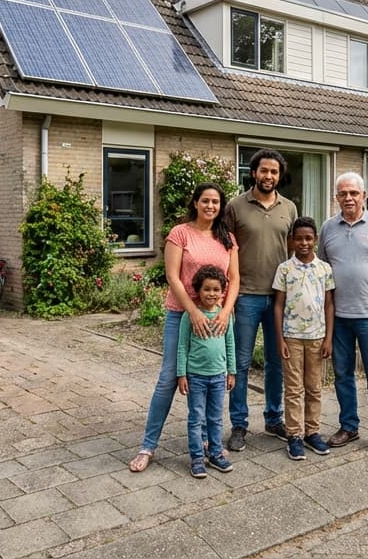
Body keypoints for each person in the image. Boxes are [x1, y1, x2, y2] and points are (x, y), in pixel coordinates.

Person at [128, 183, 239, 473]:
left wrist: (225, 312)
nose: (210, 206)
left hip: (217, 318)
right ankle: (148, 446)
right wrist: (193, 311)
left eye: (215, 201)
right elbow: (172, 276)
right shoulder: (180, 233)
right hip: (183, 315)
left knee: (212, 380)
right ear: (195, 202)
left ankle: (207, 443)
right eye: (205, 200)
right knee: (168, 379)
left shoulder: (227, 238)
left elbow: (235, 278)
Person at [317, 172, 368, 459]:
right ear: (336, 197)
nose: (348, 198)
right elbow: (322, 273)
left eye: (353, 193)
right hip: (338, 316)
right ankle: (349, 426)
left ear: (364, 196)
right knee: (342, 375)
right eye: (343, 193)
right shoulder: (328, 228)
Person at [224, 149, 298, 451]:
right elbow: (225, 249)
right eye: (264, 171)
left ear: (279, 176)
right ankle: (239, 424)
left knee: (276, 361)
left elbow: (294, 249)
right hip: (245, 297)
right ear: (253, 172)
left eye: (274, 172)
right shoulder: (235, 207)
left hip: (279, 298)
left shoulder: (289, 208)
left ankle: (273, 417)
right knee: (240, 363)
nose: (269, 176)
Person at [272, 216, 335, 460]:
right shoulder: (285, 269)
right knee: (294, 388)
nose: (304, 243)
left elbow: (329, 304)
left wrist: (329, 337)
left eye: (308, 238)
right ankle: (294, 435)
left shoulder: (324, 269)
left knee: (314, 387)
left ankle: (312, 431)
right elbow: (278, 305)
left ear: (316, 240)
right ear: (291, 241)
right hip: (292, 337)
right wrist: (280, 339)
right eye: (299, 239)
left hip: (317, 337)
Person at [177, 265, 237, 478]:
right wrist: (181, 375)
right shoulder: (190, 316)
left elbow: (230, 344)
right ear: (198, 291)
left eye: (216, 289)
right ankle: (196, 458)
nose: (211, 294)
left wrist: (232, 371)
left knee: (216, 418)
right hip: (195, 377)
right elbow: (182, 347)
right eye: (207, 289)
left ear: (222, 292)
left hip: (219, 376)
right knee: (196, 418)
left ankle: (215, 454)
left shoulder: (225, 316)